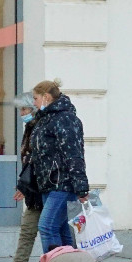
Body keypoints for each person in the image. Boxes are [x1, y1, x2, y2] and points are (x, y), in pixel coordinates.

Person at [30, 79, 89, 252]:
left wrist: (81, 187)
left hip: (62, 184)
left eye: (35, 98)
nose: (33, 103)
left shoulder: (65, 119)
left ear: (46, 97)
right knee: (62, 230)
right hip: (49, 184)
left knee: (47, 227)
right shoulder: (46, 119)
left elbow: (74, 154)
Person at [0, 92, 42, 262]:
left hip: (41, 191)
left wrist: (25, 185)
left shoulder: (37, 128)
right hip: (36, 191)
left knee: (48, 234)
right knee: (30, 232)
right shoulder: (31, 127)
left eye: (24, 109)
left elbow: (34, 161)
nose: (22, 113)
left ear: (34, 108)